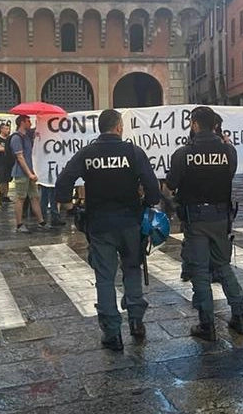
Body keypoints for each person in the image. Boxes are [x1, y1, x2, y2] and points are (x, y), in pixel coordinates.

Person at [55, 109, 160, 351]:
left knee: (104, 277)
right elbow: (152, 188)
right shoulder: (133, 152)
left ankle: (112, 333)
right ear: (119, 127)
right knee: (132, 269)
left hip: (100, 224)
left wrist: (70, 205)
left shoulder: (88, 153)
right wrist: (147, 202)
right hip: (130, 223)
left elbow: (64, 181)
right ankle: (136, 321)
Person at [165, 106, 243, 341]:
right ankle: (239, 316)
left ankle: (207, 324)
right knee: (223, 266)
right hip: (221, 217)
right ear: (215, 125)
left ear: (195, 124)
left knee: (200, 271)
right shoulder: (229, 151)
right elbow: (229, 174)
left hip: (195, 218)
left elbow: (170, 185)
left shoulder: (182, 154)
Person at [10, 115, 49, 232]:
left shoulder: (25, 137)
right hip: (22, 173)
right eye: (28, 121)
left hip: (29, 172)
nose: (30, 123)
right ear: (22, 122)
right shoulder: (16, 138)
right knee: (21, 198)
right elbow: (20, 157)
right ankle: (19, 224)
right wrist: (29, 173)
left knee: (34, 197)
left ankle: (41, 221)